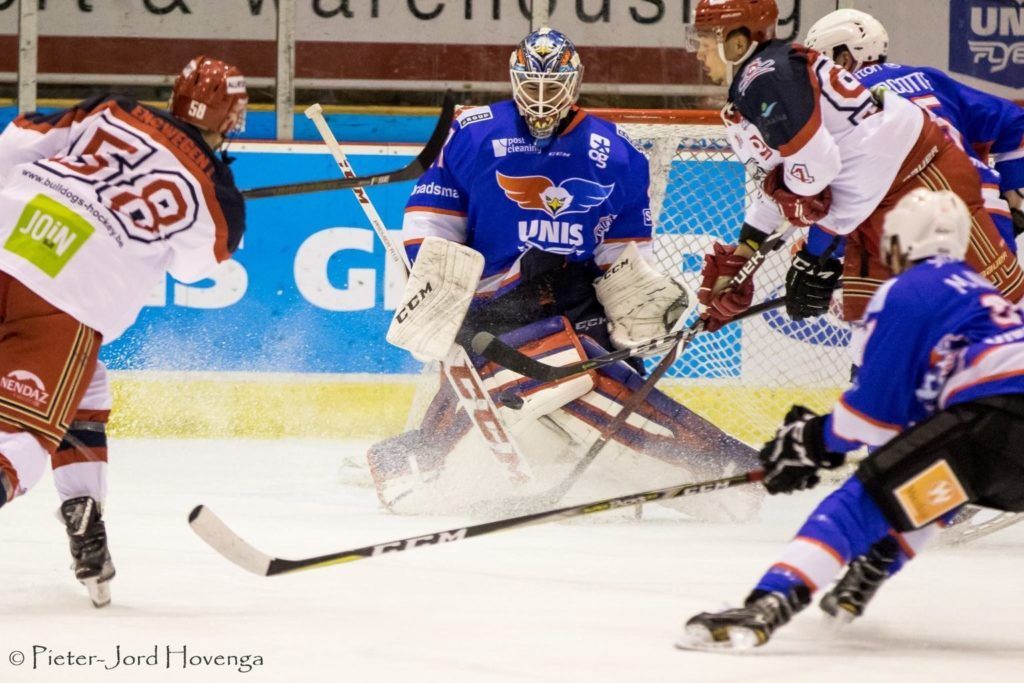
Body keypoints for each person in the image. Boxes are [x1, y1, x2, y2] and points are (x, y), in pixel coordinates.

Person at [369, 28, 760, 518]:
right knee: (578, 377)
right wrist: (442, 290)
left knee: (583, 377)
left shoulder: (617, 152)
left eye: (552, 85)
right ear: (514, 80)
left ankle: (417, 458)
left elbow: (622, 255)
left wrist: (633, 306)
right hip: (493, 299)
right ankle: (719, 469)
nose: (540, 98)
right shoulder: (475, 133)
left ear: (574, 84)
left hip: (574, 299)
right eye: (530, 84)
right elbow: (431, 220)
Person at [679, 188, 1024, 650]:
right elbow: (913, 427)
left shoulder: (909, 290)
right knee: (935, 482)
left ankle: (767, 604)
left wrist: (809, 441)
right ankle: (874, 566)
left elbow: (873, 415)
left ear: (896, 242)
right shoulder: (983, 295)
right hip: (995, 429)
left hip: (993, 417)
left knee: (865, 496)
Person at [0, 55, 247, 606]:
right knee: (20, 438)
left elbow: (17, 140)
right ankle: (77, 505)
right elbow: (195, 267)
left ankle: (83, 513)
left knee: (85, 384)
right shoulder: (216, 190)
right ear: (231, 117)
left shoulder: (113, 108)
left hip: (6, 238)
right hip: (61, 295)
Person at [686, 0, 1024, 327]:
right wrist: (747, 253)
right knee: (916, 333)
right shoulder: (920, 77)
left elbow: (829, 175)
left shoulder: (780, 84)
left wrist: (817, 253)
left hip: (930, 196)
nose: (697, 53)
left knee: (973, 329)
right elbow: (1013, 122)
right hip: (936, 199)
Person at [801, 8, 1024, 276]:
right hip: (983, 215)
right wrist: (1012, 196)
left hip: (913, 228)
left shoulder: (841, 108)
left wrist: (813, 256)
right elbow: (1015, 123)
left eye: (823, 65)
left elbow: (847, 200)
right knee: (998, 314)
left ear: (845, 58)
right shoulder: (928, 78)